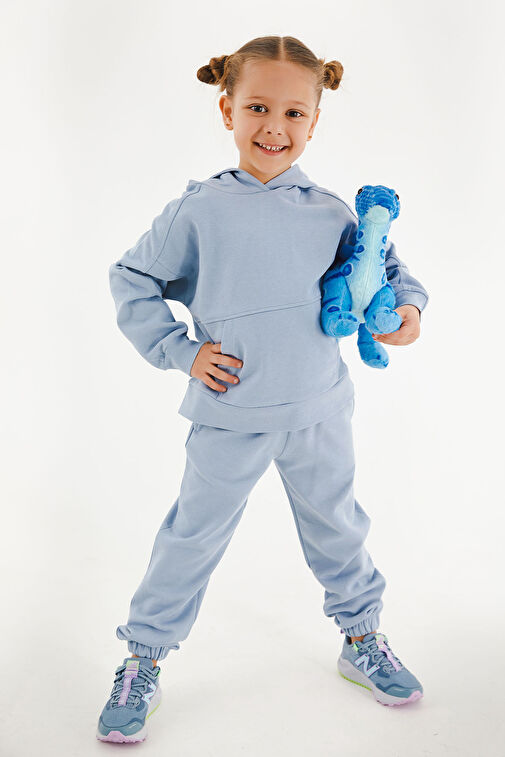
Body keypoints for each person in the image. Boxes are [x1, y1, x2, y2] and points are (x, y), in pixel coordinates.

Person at [97, 35, 429, 743]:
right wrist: (181, 351)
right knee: (190, 538)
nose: (273, 127)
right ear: (227, 110)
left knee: (340, 527)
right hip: (231, 413)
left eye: (293, 113)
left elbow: (388, 271)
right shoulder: (199, 211)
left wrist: (406, 312)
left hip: (318, 411)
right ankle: (142, 658)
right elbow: (132, 279)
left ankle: (361, 637)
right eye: (256, 108)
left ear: (315, 120)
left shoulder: (332, 212)